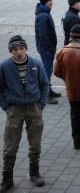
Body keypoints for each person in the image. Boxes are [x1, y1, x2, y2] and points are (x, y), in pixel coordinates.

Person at [0, 36, 49, 191]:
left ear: (25, 48)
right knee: (10, 146)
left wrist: (41, 104)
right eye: (15, 50)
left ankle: (34, 172)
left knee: (35, 143)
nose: (19, 52)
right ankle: (7, 179)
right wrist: (6, 107)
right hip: (14, 109)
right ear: (11, 51)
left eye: (21, 48)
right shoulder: (4, 66)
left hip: (34, 108)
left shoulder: (36, 64)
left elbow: (45, 84)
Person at [35, 0, 60, 105]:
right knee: (47, 71)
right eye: (49, 0)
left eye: (52, 0)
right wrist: (50, 48)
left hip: (47, 48)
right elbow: (43, 35)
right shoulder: (43, 16)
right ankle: (45, 94)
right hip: (46, 49)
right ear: (44, 2)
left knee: (47, 70)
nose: (51, 2)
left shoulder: (44, 13)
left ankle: (48, 90)